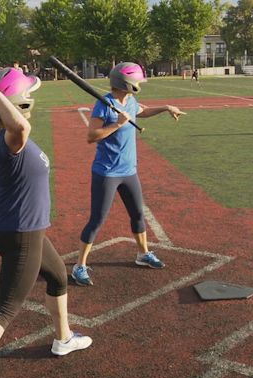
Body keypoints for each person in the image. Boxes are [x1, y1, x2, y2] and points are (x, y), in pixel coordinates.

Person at [0, 67, 92, 378]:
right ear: (19, 101)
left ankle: (63, 339)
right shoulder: (12, 137)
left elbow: (18, 123)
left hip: (26, 229)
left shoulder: (3, 133)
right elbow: (21, 126)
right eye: (29, 93)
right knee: (7, 306)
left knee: (58, 277)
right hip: (20, 233)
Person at [71, 62, 186, 287]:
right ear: (127, 84)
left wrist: (165, 107)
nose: (140, 84)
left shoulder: (130, 101)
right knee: (97, 220)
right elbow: (91, 135)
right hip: (107, 172)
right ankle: (79, 266)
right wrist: (118, 124)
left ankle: (143, 254)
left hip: (129, 171)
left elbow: (141, 111)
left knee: (137, 214)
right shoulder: (104, 105)